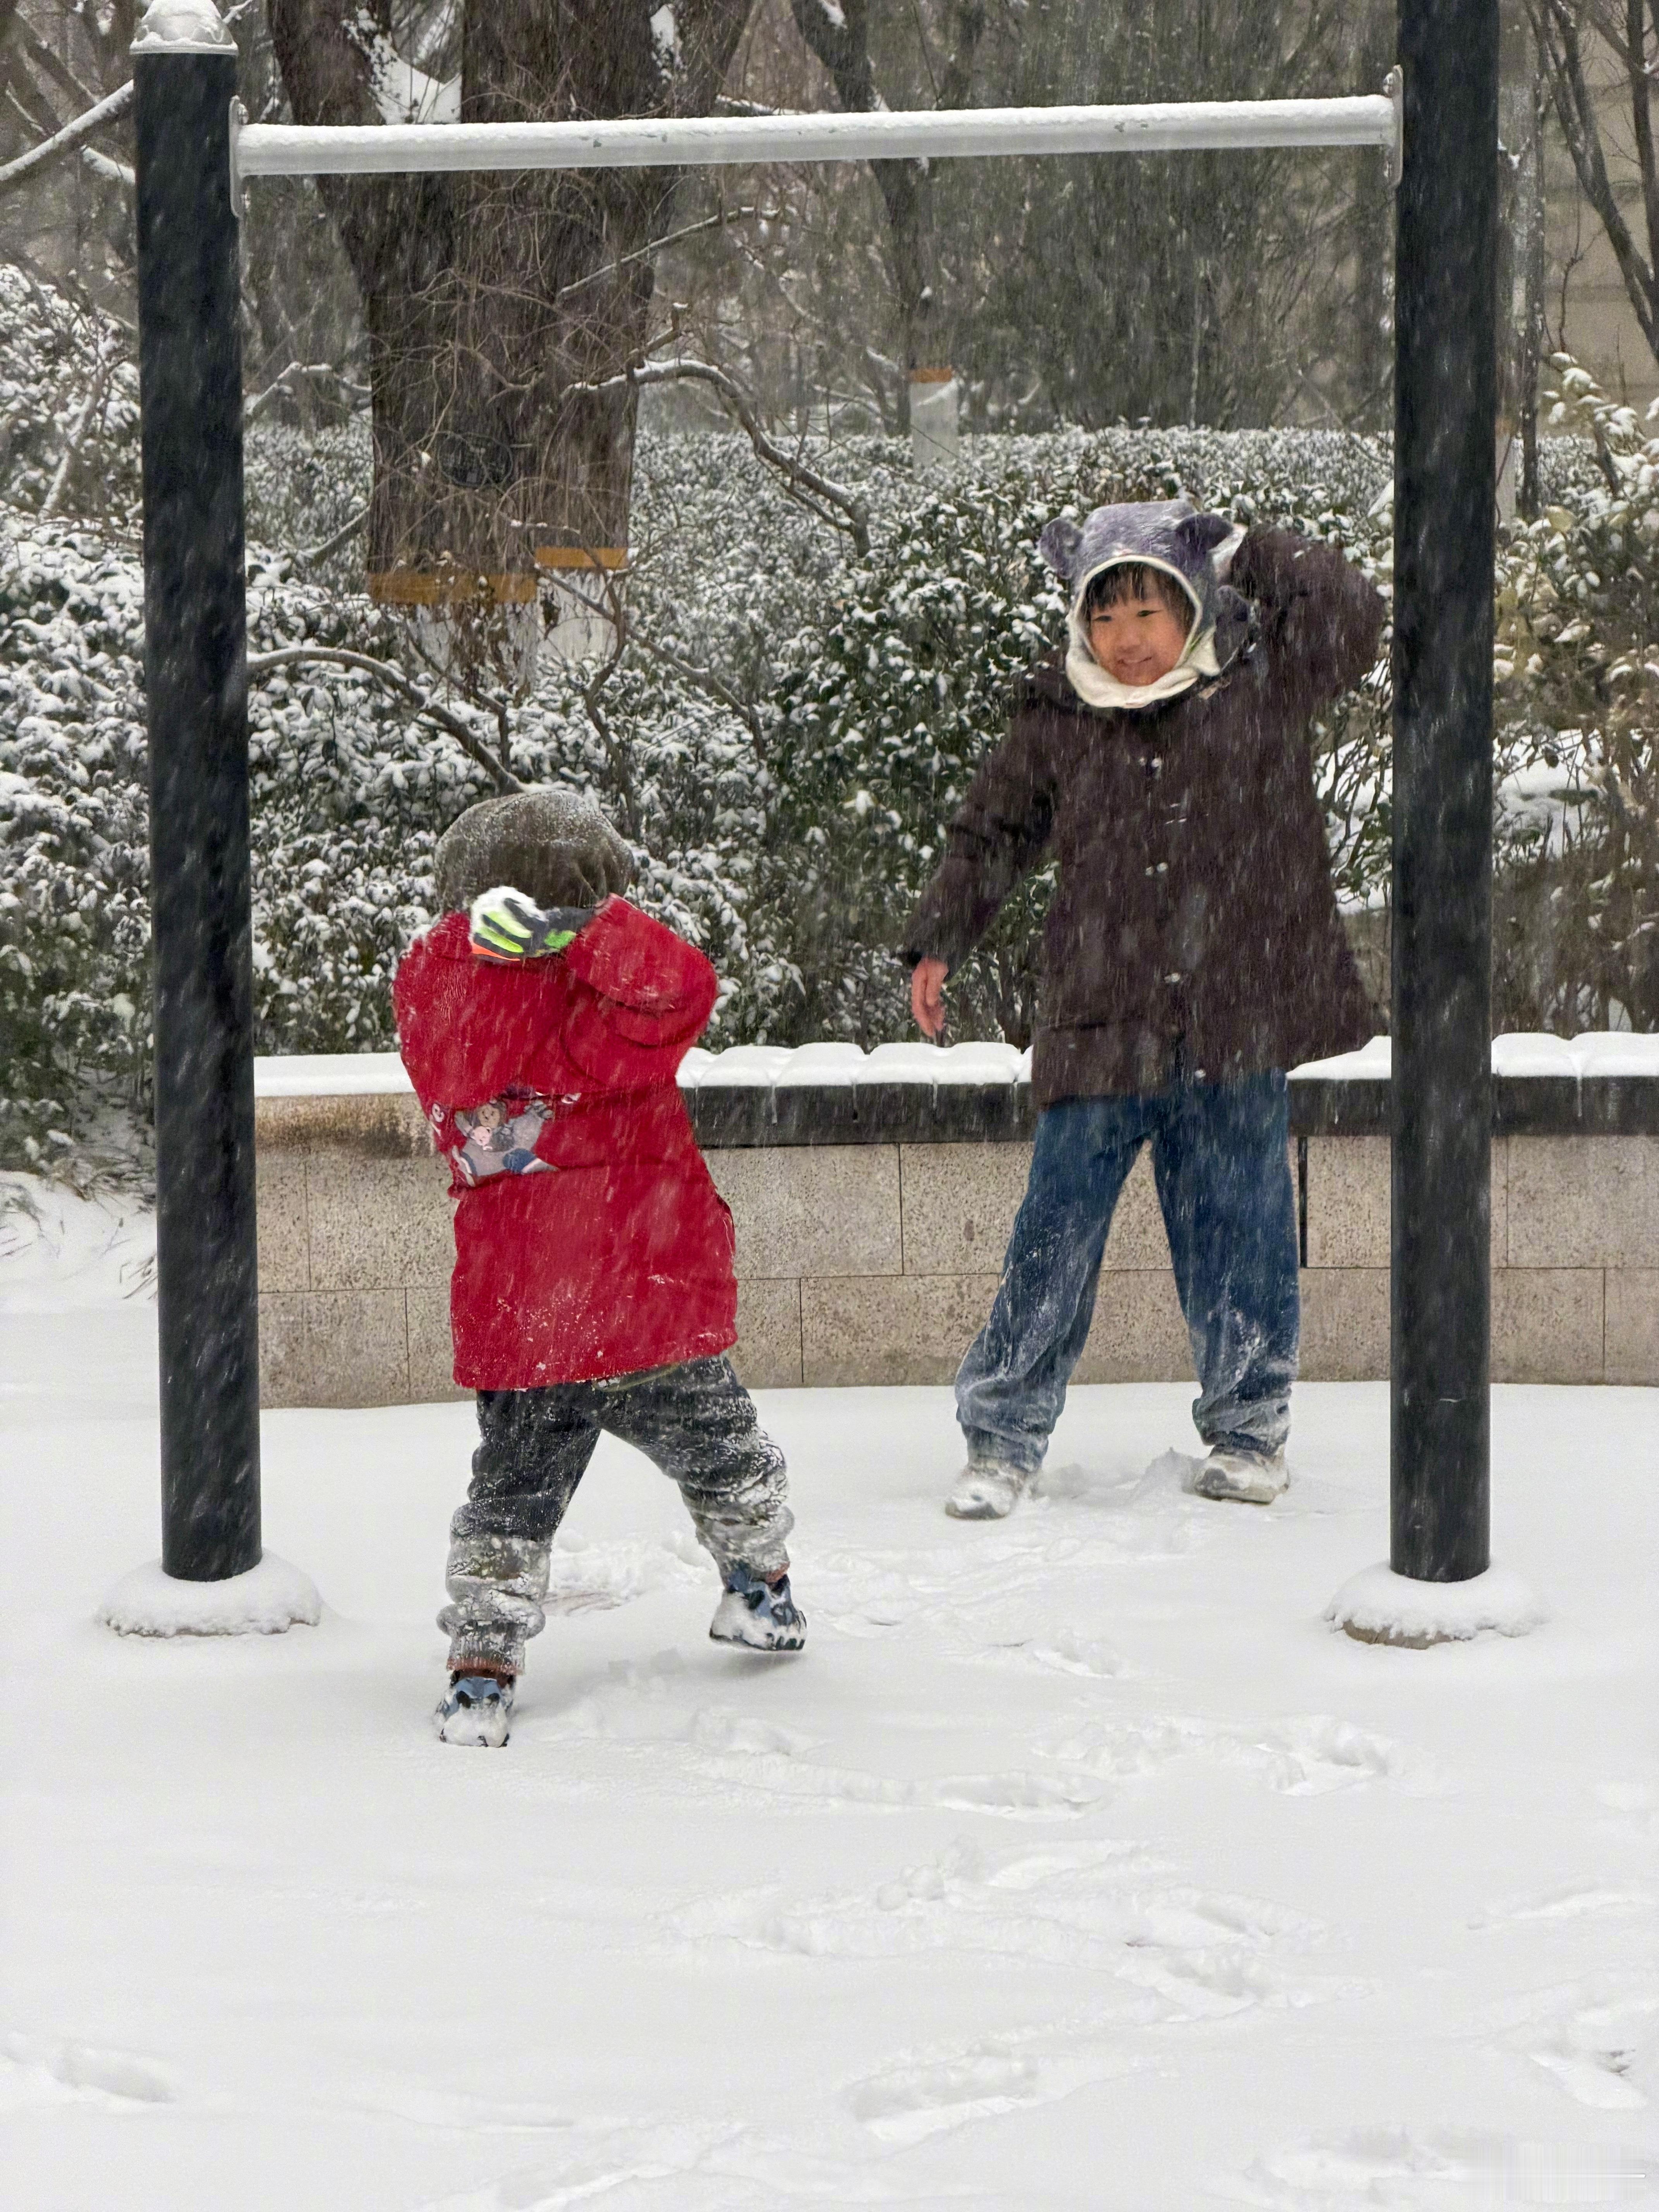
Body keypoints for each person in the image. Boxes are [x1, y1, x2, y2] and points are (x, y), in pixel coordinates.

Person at [902, 498, 1384, 1520]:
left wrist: (1246, 551)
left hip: (1233, 1016)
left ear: (1193, 604)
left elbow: (1350, 614)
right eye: (1103, 615)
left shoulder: (1257, 684)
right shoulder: (1060, 711)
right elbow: (991, 830)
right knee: (1055, 1229)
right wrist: (941, 937)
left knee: (1242, 1229)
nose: (1125, 640)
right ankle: (1002, 1437)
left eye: (1147, 611)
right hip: (1099, 1015)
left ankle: (1249, 1431)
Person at [394, 787, 804, 1748]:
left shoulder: (464, 991)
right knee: (725, 1456)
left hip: (546, 1314)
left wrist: (561, 938)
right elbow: (680, 989)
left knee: (516, 1494)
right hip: (632, 1302)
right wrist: (572, 935)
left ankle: (484, 1664)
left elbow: (485, 1091)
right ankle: (758, 1588)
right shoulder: (574, 1000)